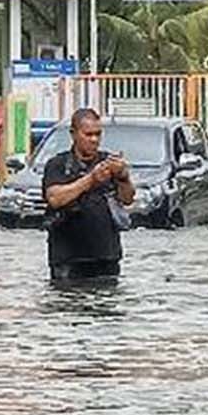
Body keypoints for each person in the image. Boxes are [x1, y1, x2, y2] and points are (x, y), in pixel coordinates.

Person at [41, 107, 137, 284]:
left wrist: (123, 177)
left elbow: (128, 199)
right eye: (88, 134)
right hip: (68, 259)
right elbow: (55, 198)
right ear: (74, 134)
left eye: (98, 134)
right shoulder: (58, 165)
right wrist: (91, 179)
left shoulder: (108, 161)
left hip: (106, 256)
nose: (94, 140)